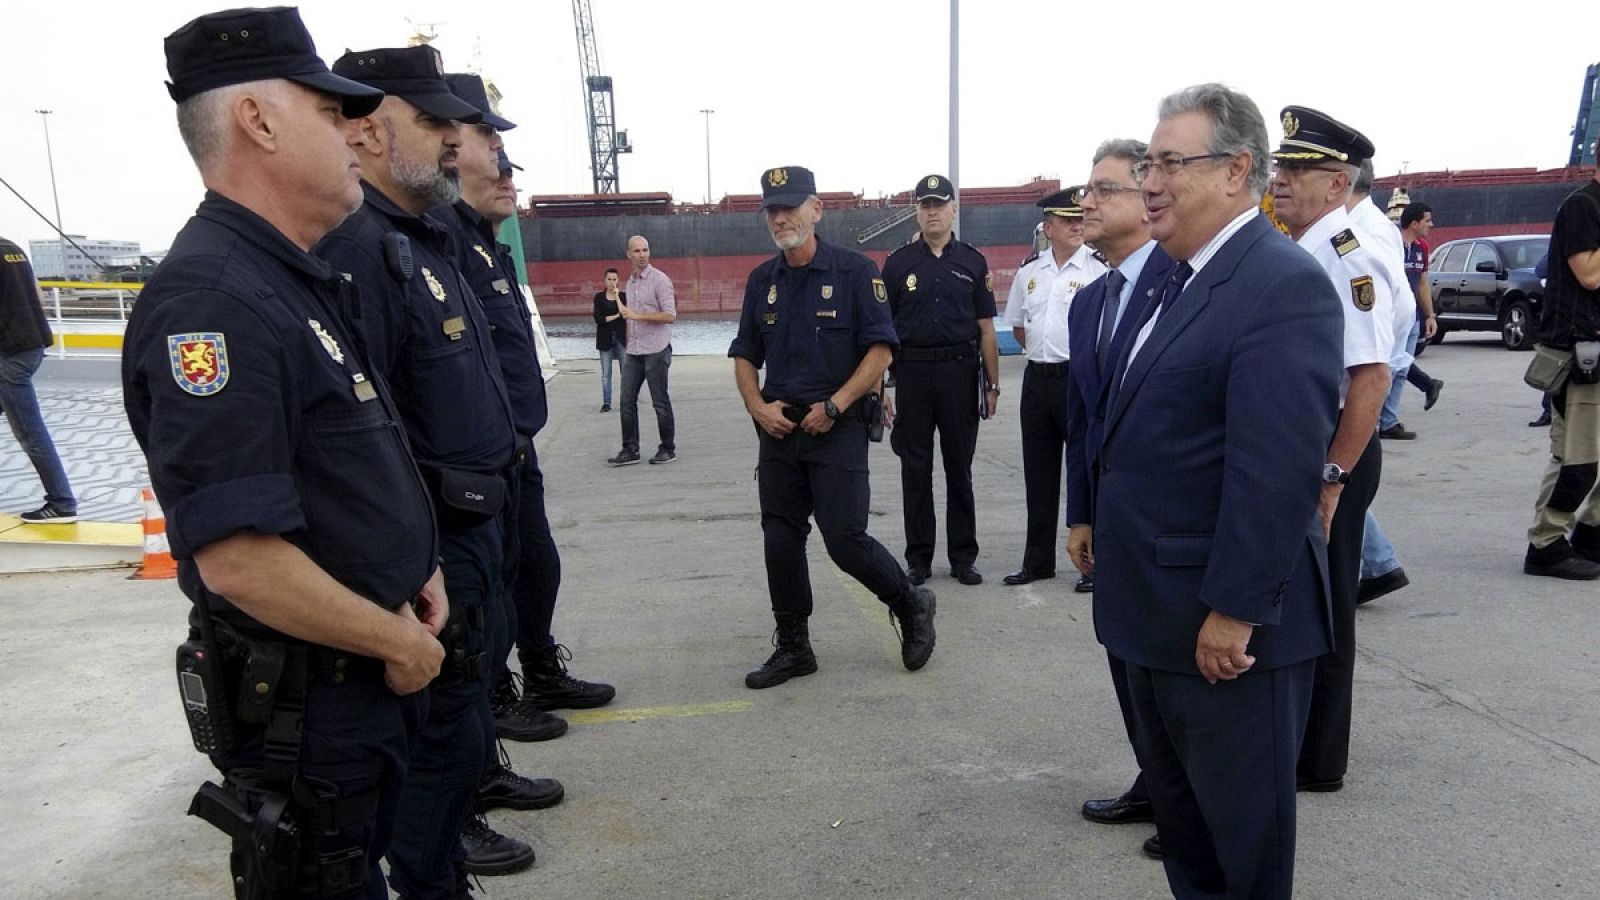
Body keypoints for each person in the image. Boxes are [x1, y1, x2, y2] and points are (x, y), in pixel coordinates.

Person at [125, 10, 445, 897]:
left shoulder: (289, 277)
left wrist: (413, 569)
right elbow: (238, 557)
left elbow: (341, 469)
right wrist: (394, 637)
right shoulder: (216, 303)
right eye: (328, 110)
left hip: (352, 688)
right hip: (311, 707)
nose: (355, 132)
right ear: (258, 122)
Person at [1096, 84, 1341, 899]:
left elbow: (1274, 473)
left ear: (1237, 170)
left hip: (1226, 636)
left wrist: (1234, 611)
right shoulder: (1170, 279)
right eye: (1146, 164)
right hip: (1151, 619)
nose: (1150, 181)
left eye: (1169, 163)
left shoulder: (1280, 284)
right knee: (1189, 844)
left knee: (1243, 856)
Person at [318, 45, 533, 892]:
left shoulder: (430, 235)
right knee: (440, 739)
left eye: (455, 122)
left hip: (474, 522)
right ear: (368, 129)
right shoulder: (364, 248)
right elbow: (367, 426)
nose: (454, 138)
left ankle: (440, 867)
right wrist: (416, 557)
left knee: (465, 726)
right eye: (433, 121)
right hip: (434, 542)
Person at [442, 72, 615, 739]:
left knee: (536, 562)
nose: (512, 178)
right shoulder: (448, 242)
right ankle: (496, 690)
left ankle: (541, 666)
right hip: (486, 451)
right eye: (500, 161)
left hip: (518, 441)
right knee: (491, 579)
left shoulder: (489, 245)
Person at [729, 165, 937, 690]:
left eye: (791, 207)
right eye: (773, 210)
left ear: (816, 210)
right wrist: (758, 407)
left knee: (845, 540)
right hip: (780, 429)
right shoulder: (762, 281)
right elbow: (744, 356)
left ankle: (910, 603)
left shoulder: (854, 272)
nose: (781, 219)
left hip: (837, 426)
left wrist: (837, 405)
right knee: (780, 539)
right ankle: (794, 647)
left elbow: (881, 350)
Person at [1269, 106, 1398, 797]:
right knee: (1304, 604)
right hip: (1312, 451)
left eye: (1298, 169)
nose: (1281, 179)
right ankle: (1305, 751)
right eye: (1280, 167)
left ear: (1336, 180)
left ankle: (1318, 760)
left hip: (1334, 456)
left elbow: (1370, 380)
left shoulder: (1350, 258)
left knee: (1326, 608)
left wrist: (1331, 480)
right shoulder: (1302, 248)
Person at [1064, 138, 1176, 859]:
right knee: (1124, 655)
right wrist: (1080, 511)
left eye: (1104, 189)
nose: (1088, 203)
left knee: (1167, 665)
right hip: (1110, 515)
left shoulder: (1183, 287)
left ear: (1148, 197)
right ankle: (1155, 779)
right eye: (1088, 189)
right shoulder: (1091, 301)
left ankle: (1187, 802)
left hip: (1165, 522)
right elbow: (1083, 420)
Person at [881, 175, 1000, 586]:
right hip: (911, 373)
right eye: (924, 204)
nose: (932, 211)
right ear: (917, 210)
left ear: (953, 210)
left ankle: (963, 557)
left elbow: (986, 329)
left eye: (939, 204)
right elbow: (881, 333)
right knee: (914, 469)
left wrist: (992, 384)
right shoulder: (897, 264)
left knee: (958, 468)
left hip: (958, 373)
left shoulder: (972, 261)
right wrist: (881, 388)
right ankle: (919, 559)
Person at [1001, 185, 1105, 589]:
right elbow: (1020, 328)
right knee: (1038, 473)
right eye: (1067, 220)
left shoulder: (1098, 269)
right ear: (1048, 227)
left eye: (1080, 219)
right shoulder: (1030, 272)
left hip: (1078, 379)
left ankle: (1093, 564)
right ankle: (1037, 560)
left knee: (1084, 469)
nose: (1077, 226)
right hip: (1037, 380)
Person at [1523, 166, 1600, 580]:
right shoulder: (1583, 207)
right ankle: (1546, 544)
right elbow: (1588, 274)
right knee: (1578, 458)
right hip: (1581, 349)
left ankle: (1591, 534)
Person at [1348, 161, 1418, 606]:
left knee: (1339, 475)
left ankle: (1377, 562)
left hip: (1362, 373)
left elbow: (1381, 308)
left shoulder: (1359, 236)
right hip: (1373, 362)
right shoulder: (1369, 225)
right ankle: (1378, 561)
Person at [1, 236, 78, 523]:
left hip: (9, 354)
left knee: (29, 432)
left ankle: (62, 502)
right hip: (32, 344)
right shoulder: (12, 248)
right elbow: (39, 296)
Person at [609, 235, 676, 466]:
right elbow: (630, 320)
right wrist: (629, 340)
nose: (642, 255)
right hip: (634, 350)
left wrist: (638, 316)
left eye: (645, 249)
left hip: (656, 349)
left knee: (660, 401)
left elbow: (670, 315)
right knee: (626, 400)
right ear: (629, 254)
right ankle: (630, 449)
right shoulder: (631, 282)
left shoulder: (660, 280)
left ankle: (667, 448)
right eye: (637, 251)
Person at [1382, 201, 1445, 439]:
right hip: (1392, 318)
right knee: (1386, 368)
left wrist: (1430, 315)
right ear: (1414, 223)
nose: (1432, 225)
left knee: (1400, 369)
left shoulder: (1422, 249)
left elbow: (1422, 283)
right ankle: (1371, 419)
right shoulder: (1391, 246)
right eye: (1427, 220)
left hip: (1413, 318)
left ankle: (1388, 422)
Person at [593, 267, 627, 411]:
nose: (612, 282)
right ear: (604, 280)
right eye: (609, 279)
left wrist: (617, 296)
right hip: (605, 339)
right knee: (606, 373)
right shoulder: (599, 298)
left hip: (621, 338)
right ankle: (607, 403)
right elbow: (599, 319)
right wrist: (615, 316)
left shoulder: (624, 296)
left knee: (625, 372)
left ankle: (626, 401)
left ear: (618, 280)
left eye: (614, 279)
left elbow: (625, 313)